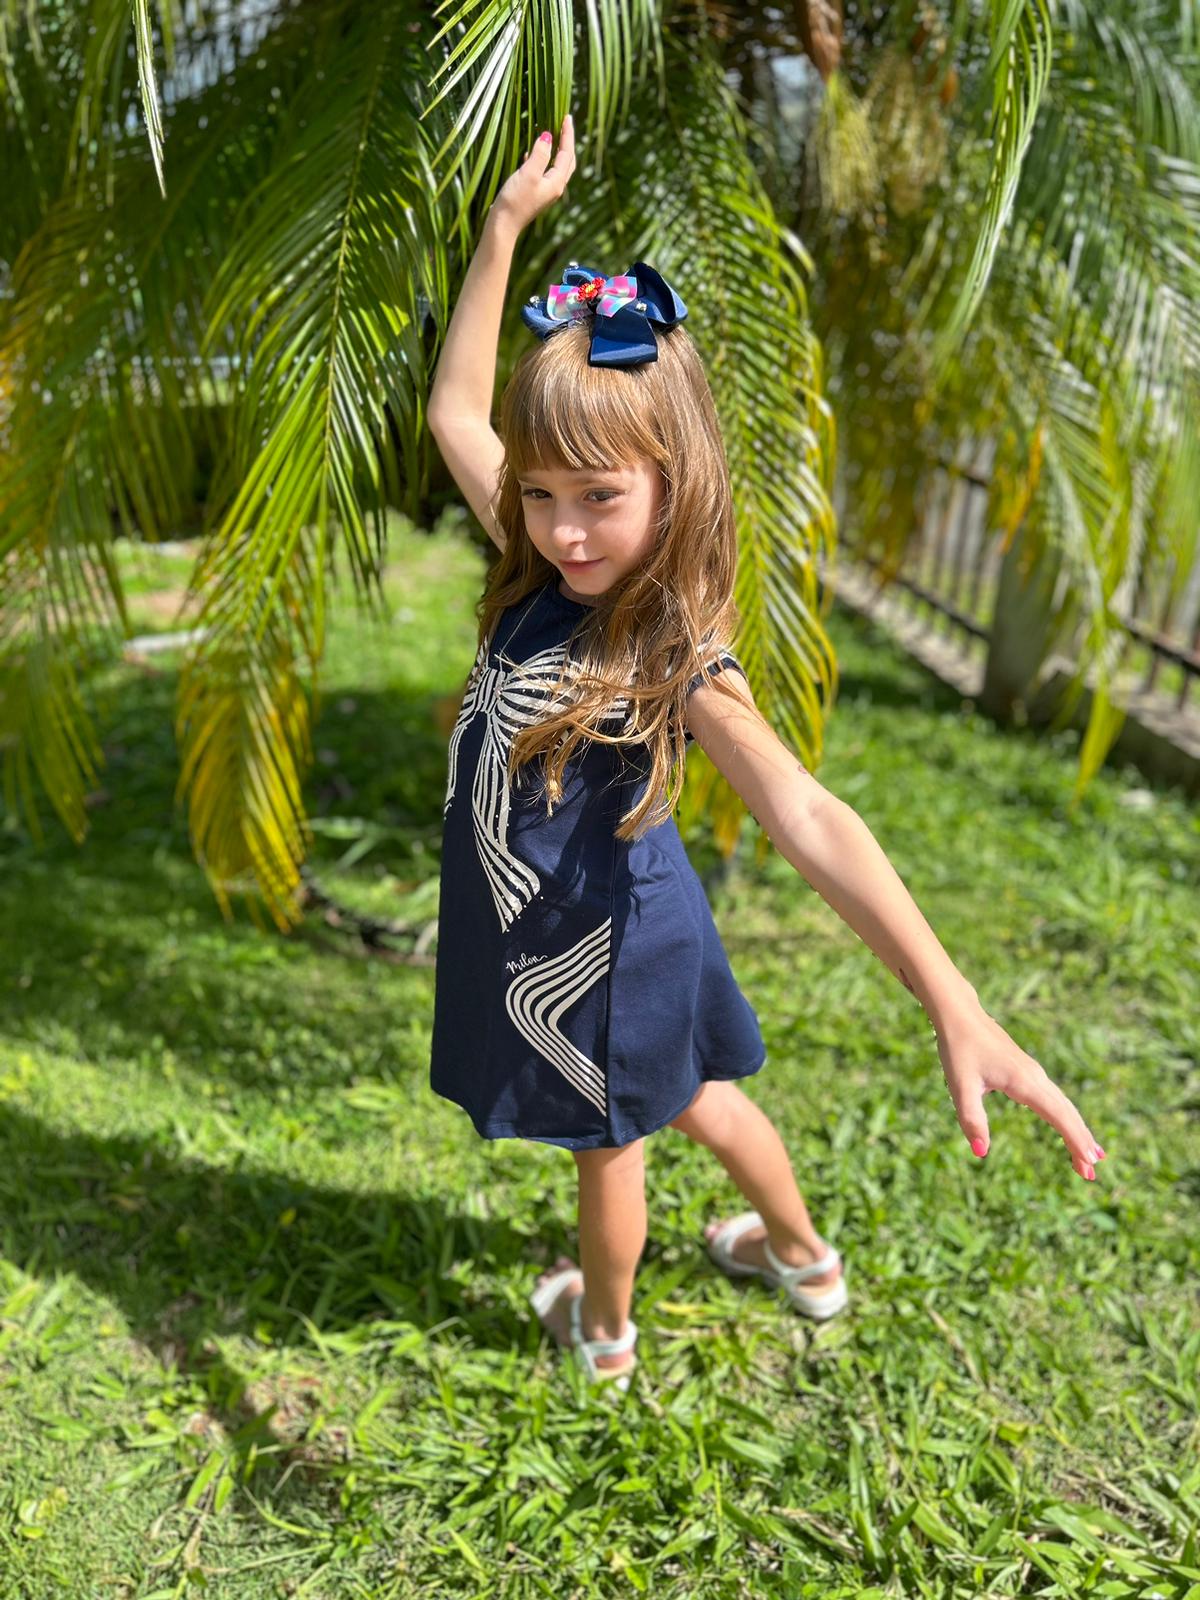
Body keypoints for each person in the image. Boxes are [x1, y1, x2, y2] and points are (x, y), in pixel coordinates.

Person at [425, 112, 1107, 1391]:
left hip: (603, 957)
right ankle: (803, 1256)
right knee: (702, 1100)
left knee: (610, 1150)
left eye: (600, 498)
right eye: (541, 491)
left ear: (673, 484)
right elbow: (459, 404)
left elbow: (805, 812)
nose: (566, 528)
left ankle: (607, 1332)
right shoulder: (533, 566)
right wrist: (505, 229)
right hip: (619, 928)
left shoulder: (671, 644)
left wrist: (953, 1000)